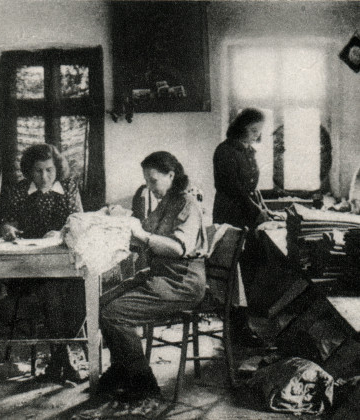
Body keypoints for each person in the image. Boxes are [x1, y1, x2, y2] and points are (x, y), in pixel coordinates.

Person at [99, 151, 207, 402]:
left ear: (171, 175)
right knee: (103, 302)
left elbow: (177, 248)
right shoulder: (168, 201)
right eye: (146, 181)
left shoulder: (188, 204)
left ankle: (143, 383)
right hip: (163, 274)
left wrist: (142, 235)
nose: (150, 187)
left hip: (182, 281)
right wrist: (120, 219)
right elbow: (144, 231)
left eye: (153, 180)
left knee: (115, 313)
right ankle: (121, 369)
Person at [0, 144, 85, 383]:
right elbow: (6, 221)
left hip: (65, 265)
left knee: (80, 294)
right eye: (38, 171)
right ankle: (63, 359)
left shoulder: (69, 186)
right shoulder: (19, 190)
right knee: (50, 291)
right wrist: (8, 228)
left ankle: (57, 361)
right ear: (29, 171)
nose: (44, 176)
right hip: (30, 269)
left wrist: (61, 233)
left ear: (58, 169)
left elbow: (78, 222)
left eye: (49, 170)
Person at [213, 108, 274, 346]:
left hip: (246, 213)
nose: (256, 135)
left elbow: (252, 188)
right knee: (234, 273)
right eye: (253, 130)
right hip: (230, 214)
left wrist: (264, 207)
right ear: (241, 127)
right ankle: (237, 329)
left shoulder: (249, 151)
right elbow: (234, 190)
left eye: (259, 131)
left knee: (250, 267)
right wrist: (257, 211)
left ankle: (242, 325)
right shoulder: (225, 151)